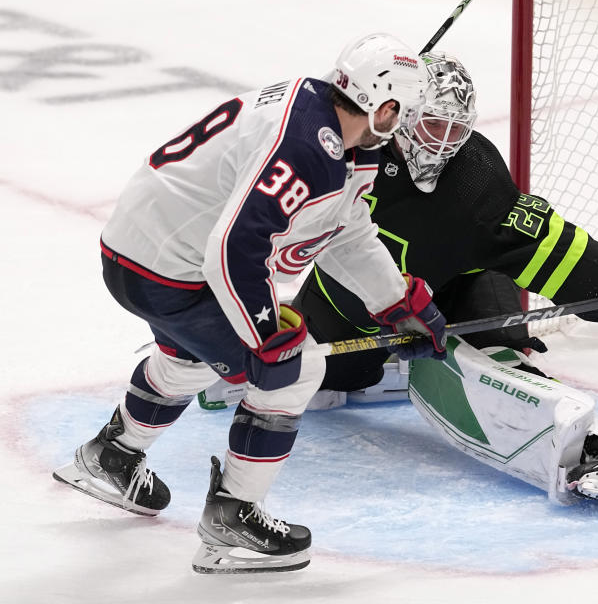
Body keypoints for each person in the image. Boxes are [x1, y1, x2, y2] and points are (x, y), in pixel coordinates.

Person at [202, 52, 598, 505]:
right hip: (355, 302)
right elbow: (264, 238)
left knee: (499, 359)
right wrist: (246, 330)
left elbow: (548, 248)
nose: (443, 140)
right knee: (326, 373)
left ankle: (588, 451)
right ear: (399, 113)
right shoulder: (349, 152)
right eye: (432, 123)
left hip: (461, 288)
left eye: (456, 127)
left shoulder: (475, 178)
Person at [52, 33, 448, 574]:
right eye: (403, 113)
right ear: (384, 106)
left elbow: (345, 230)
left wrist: (394, 301)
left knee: (192, 357)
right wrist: (268, 337)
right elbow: (232, 249)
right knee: (296, 366)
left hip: (145, 250)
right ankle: (233, 521)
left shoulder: (338, 135)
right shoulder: (309, 148)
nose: (404, 126)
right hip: (170, 268)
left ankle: (111, 458)